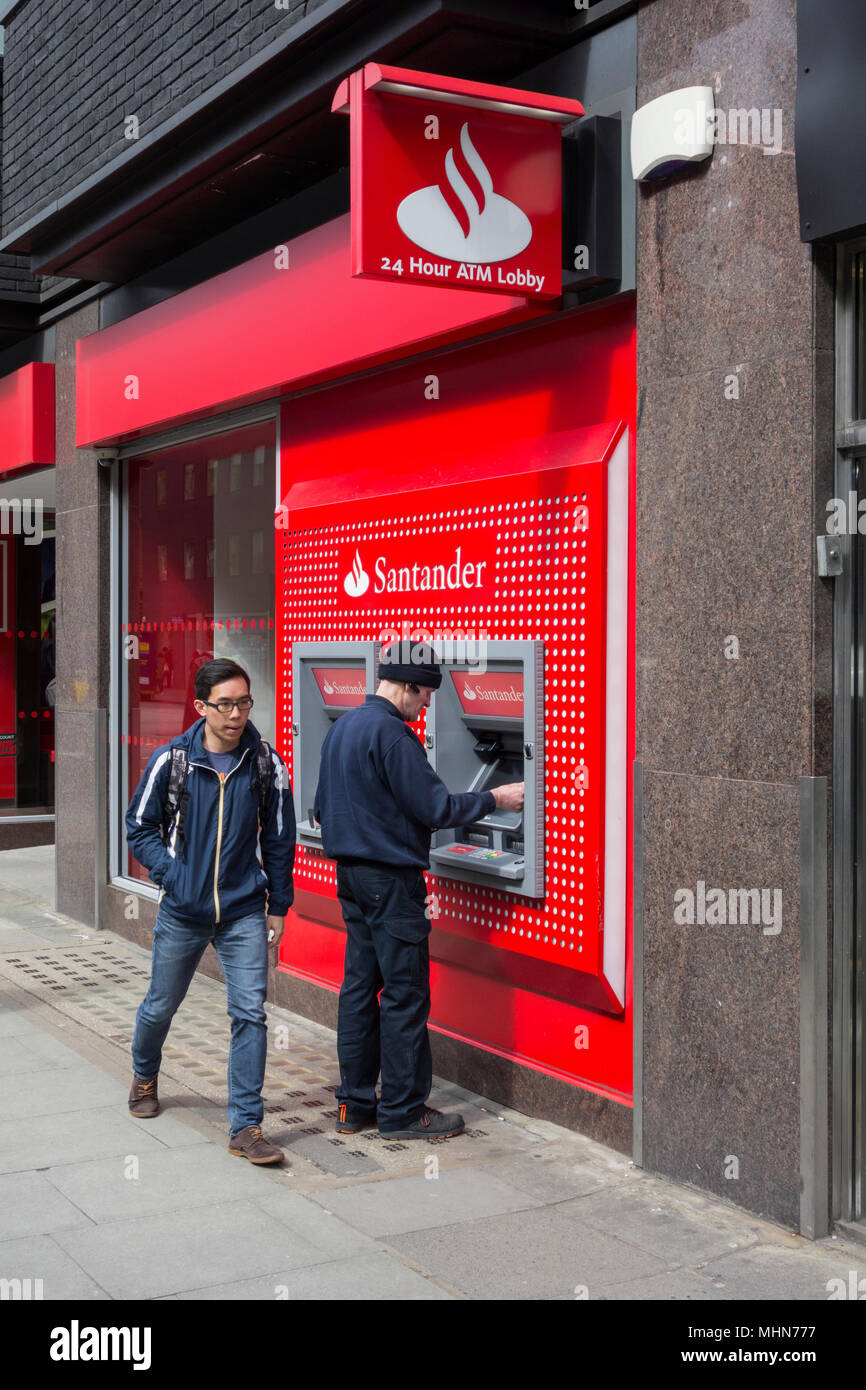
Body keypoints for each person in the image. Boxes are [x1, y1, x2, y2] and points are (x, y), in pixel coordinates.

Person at [314, 641, 524, 1140]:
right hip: (390, 882)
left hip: (351, 879)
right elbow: (436, 810)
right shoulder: (393, 736)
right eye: (425, 695)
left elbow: (322, 808)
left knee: (360, 991)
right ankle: (404, 1113)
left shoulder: (341, 729)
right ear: (407, 685)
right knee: (406, 995)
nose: (427, 706)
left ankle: (353, 1106)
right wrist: (497, 796)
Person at [125, 657, 296, 1165]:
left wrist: (278, 906)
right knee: (161, 1004)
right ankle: (144, 1073)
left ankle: (246, 1126)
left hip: (244, 909)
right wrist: (173, 875)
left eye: (244, 702)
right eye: (226, 704)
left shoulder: (265, 762)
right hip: (184, 908)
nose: (237, 714)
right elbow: (139, 826)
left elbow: (280, 840)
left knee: (250, 1013)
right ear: (201, 707)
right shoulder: (172, 761)